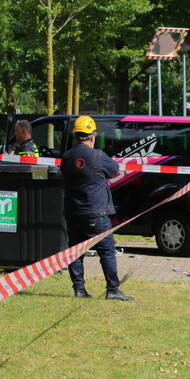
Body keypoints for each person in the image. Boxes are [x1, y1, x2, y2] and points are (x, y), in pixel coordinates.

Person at [60, 115, 133, 301]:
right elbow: (115, 170)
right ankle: (113, 289)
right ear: (92, 136)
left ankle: (79, 289)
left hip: (73, 212)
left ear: (76, 136)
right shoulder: (98, 156)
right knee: (107, 250)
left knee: (75, 251)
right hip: (96, 212)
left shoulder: (67, 157)